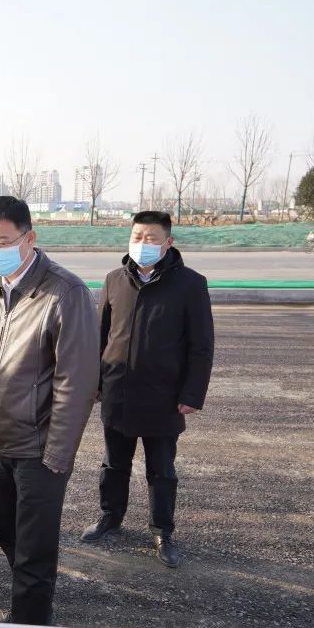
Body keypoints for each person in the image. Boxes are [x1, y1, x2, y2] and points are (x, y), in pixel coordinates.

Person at [0, 196, 100, 625]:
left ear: (30, 238)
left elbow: (76, 383)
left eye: (3, 241)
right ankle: (29, 606)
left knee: (34, 549)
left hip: (39, 449)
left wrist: (58, 453)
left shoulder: (65, 293)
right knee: (8, 534)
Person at [81, 211, 215, 568]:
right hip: (118, 392)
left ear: (168, 242)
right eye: (137, 237)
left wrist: (191, 394)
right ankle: (110, 517)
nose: (142, 244)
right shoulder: (114, 280)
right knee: (114, 463)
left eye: (151, 238)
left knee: (161, 469)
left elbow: (201, 345)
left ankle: (162, 530)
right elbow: (100, 336)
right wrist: (96, 384)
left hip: (164, 397)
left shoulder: (190, 284)